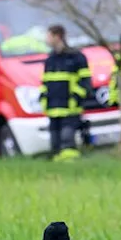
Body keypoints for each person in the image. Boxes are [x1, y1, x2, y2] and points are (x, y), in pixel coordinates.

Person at [39, 25, 92, 161]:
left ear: (57, 37)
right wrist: (43, 99)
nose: (47, 39)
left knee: (67, 140)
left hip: (70, 107)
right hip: (53, 108)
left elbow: (85, 81)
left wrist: (76, 98)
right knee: (55, 143)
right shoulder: (50, 60)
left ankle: (70, 165)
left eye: (49, 36)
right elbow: (45, 83)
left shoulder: (76, 58)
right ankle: (57, 169)